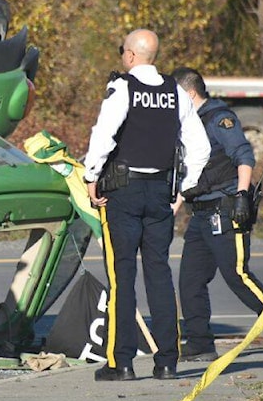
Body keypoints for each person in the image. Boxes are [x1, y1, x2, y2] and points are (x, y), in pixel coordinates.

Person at [83, 29, 210, 382]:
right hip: (160, 194)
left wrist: (91, 174)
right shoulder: (176, 92)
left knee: (121, 276)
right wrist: (183, 189)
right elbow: (199, 148)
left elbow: (103, 134)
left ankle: (120, 363)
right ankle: (167, 362)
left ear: (130, 56)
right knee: (159, 275)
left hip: (121, 193)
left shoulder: (122, 88)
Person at [171, 67, 263, 362]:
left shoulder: (219, 118)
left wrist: (242, 195)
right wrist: (173, 210)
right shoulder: (189, 124)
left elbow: (244, 156)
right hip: (201, 213)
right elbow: (188, 174)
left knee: (238, 276)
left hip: (226, 207)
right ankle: (200, 343)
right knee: (190, 281)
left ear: (190, 94)